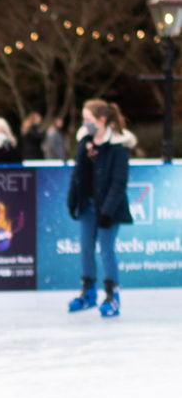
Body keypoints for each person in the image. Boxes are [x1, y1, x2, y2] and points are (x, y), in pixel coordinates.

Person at [67, 99, 133, 317]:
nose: (85, 124)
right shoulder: (84, 142)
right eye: (84, 120)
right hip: (88, 206)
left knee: (106, 250)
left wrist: (107, 211)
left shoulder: (118, 146)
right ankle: (88, 293)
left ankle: (112, 296)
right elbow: (78, 174)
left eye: (89, 119)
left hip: (109, 209)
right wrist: (73, 198)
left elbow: (118, 182)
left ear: (102, 120)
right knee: (86, 248)